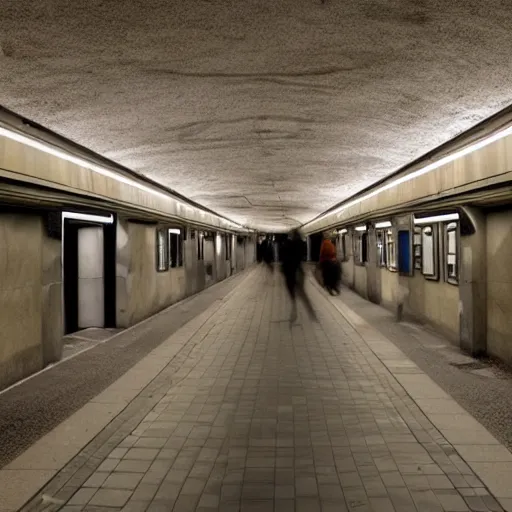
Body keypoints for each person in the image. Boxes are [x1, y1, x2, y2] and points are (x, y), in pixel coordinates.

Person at [281, 229, 317, 323]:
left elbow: (286, 258)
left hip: (291, 273)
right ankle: (310, 313)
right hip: (297, 272)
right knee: (302, 294)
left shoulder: (289, 244)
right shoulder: (300, 244)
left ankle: (297, 312)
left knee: (294, 294)